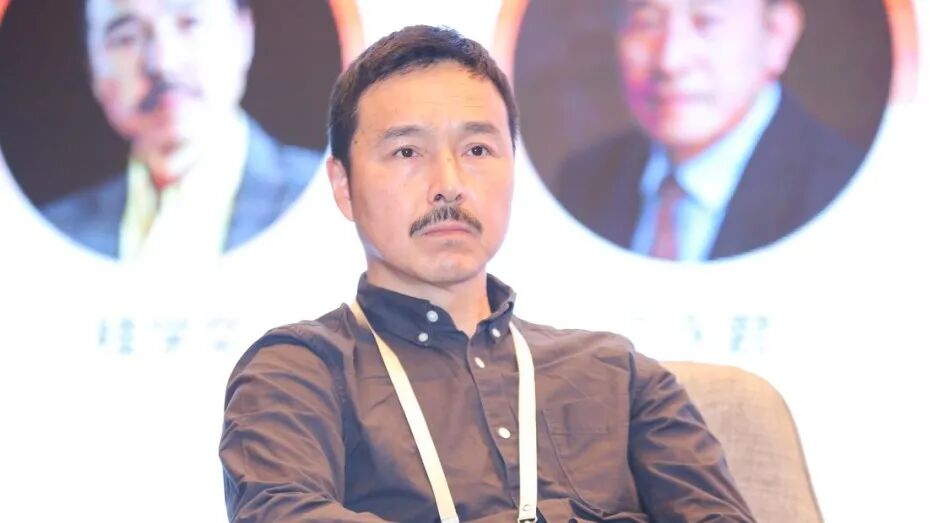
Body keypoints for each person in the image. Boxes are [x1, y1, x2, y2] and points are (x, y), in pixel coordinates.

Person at [219, 25, 754, 522]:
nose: (448, 184)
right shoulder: (297, 373)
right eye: (407, 151)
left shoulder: (619, 375)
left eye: (477, 149)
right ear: (343, 186)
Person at [557, 0, 865, 261]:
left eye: (706, 22)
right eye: (646, 22)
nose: (670, 60)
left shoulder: (846, 193)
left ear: (776, 34)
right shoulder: (584, 182)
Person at [40, 0, 321, 261]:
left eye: (189, 23)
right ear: (91, 67)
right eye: (126, 38)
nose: (163, 62)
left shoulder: (324, 202)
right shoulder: (52, 236)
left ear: (243, 33)